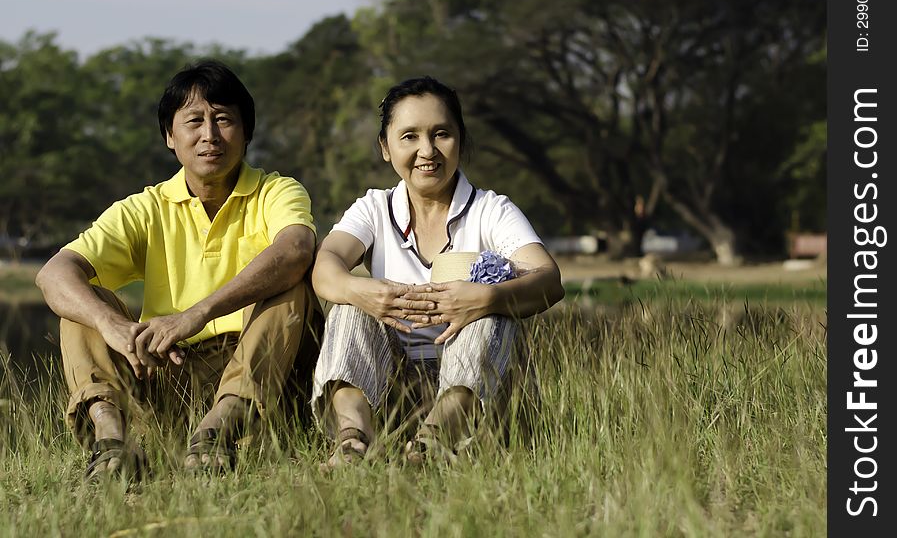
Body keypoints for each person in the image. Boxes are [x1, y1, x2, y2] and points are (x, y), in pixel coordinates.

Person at [35, 60, 322, 480]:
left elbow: (296, 248)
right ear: (171, 136)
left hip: (256, 372)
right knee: (83, 301)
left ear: (246, 133)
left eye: (224, 120)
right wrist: (112, 325)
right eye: (194, 121)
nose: (210, 135)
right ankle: (112, 443)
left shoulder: (275, 191)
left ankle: (219, 431)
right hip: (166, 372)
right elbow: (52, 273)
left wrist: (196, 314)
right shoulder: (145, 208)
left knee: (290, 288)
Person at [311, 76, 565, 468]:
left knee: (490, 313)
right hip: (392, 393)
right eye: (409, 136)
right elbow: (325, 268)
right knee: (348, 305)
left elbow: (549, 280)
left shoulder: (491, 210)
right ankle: (354, 443)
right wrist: (364, 293)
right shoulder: (374, 208)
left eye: (441, 134)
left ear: (460, 140)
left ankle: (432, 444)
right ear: (385, 147)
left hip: (477, 400)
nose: (426, 151)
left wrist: (486, 297)